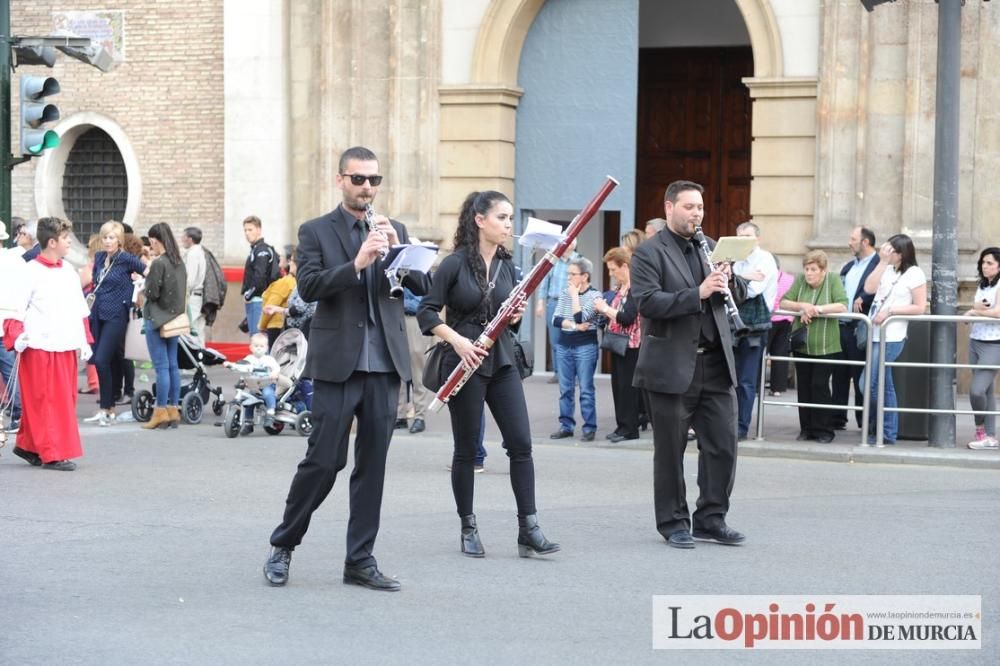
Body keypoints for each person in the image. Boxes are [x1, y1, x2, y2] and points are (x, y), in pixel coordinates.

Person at [263, 146, 430, 592]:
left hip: (384, 364)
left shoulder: (392, 228)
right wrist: (357, 263)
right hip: (339, 363)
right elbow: (310, 286)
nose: (368, 188)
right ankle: (284, 544)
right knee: (323, 461)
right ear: (341, 180)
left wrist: (401, 255)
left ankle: (360, 560)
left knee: (372, 466)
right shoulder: (316, 231)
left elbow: (422, 286)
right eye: (359, 180)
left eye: (374, 180)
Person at [418, 189, 559, 560]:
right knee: (466, 450)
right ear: (480, 221)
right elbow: (428, 313)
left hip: (501, 361)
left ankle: (529, 528)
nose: (508, 225)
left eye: (511, 218)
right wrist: (458, 342)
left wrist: (514, 315)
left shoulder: (507, 265)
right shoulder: (453, 264)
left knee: (521, 444)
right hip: (463, 362)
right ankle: (468, 526)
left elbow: (507, 318)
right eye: (502, 218)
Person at [630, 179, 749, 549]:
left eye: (700, 208)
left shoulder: (710, 247)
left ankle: (711, 518)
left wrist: (730, 280)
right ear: (669, 208)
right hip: (671, 365)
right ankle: (673, 522)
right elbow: (647, 302)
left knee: (723, 446)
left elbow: (739, 294)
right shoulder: (649, 253)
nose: (696, 214)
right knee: (670, 451)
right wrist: (697, 293)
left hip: (714, 363)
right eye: (689, 207)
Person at [4, 217, 92, 471]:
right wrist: (17, 335)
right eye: (65, 239)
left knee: (63, 399)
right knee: (45, 400)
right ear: (52, 242)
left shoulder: (67, 271)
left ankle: (29, 445)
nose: (68, 243)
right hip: (38, 345)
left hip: (64, 344)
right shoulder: (28, 271)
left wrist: (84, 339)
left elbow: (79, 309)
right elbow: (15, 309)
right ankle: (52, 453)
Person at [862, 233, 928, 446]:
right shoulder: (886, 268)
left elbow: (919, 307)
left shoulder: (915, 273)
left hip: (893, 336)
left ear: (902, 253)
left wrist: (891, 311)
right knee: (880, 385)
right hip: (874, 333)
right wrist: (881, 262)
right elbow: (869, 288)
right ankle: (884, 430)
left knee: (872, 384)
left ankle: (884, 430)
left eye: (891, 250)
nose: (886, 252)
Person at [82, 221, 148, 426]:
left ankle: (107, 408)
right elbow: (95, 282)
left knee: (101, 360)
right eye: (105, 237)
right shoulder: (100, 257)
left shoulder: (126, 259)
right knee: (106, 361)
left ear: (119, 240)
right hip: (98, 314)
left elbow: (149, 273)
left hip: (116, 315)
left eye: (112, 238)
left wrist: (135, 290)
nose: (108, 241)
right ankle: (107, 409)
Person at [779, 250, 848, 443]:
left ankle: (824, 430)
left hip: (827, 345)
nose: (809, 273)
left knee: (819, 386)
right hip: (803, 345)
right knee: (805, 388)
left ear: (823, 270)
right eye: (807, 269)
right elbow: (784, 301)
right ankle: (806, 429)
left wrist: (817, 309)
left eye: (813, 269)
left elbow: (842, 305)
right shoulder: (800, 280)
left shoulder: (833, 280)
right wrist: (803, 306)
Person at [731, 221, 778, 440]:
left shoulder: (765, 259)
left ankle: (741, 427)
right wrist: (743, 277)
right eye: (739, 236)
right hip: (734, 325)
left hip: (755, 328)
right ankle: (730, 423)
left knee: (747, 380)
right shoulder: (735, 261)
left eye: (747, 236)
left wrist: (737, 279)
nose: (742, 240)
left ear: (757, 239)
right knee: (730, 378)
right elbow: (729, 288)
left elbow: (749, 292)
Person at [141, 223, 188, 430]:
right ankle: (173, 409)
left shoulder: (159, 263)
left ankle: (160, 411)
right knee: (172, 366)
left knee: (161, 368)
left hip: (156, 318)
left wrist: (147, 279)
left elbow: (151, 293)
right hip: (175, 319)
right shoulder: (179, 262)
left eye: (152, 241)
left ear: (155, 240)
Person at [593, 247, 643, 442]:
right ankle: (622, 426)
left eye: (613, 269)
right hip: (617, 343)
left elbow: (627, 317)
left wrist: (605, 308)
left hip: (632, 345)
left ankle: (630, 428)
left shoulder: (635, 288)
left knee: (628, 388)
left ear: (625, 266)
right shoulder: (619, 289)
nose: (611, 274)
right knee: (618, 386)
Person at [550, 257, 601, 442]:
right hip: (564, 345)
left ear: (585, 276)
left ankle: (589, 427)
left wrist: (574, 298)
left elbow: (581, 317)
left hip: (585, 347)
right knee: (565, 389)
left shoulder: (596, 296)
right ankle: (566, 426)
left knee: (586, 389)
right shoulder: (565, 292)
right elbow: (555, 319)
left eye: (572, 274)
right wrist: (572, 326)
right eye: (568, 273)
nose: (568, 277)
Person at [832, 226, 878, 430]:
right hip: (842, 326)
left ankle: (864, 420)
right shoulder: (849, 266)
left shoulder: (879, 265)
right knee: (839, 374)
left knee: (861, 375)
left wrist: (865, 297)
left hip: (862, 327)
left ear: (865, 242)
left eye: (853, 239)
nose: (849, 242)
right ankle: (837, 418)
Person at [965, 247, 1000, 450]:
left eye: (990, 263)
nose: (985, 266)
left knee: (976, 390)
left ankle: (981, 430)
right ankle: (990, 436)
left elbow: (997, 312)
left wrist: (975, 313)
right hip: (976, 340)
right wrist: (975, 313)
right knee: (986, 391)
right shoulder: (983, 285)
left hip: (994, 343)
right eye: (983, 262)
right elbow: (983, 308)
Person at [534, 239, 578, 383]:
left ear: (573, 245)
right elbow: (544, 284)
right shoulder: (553, 261)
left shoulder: (579, 261)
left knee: (571, 339)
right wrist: (540, 303)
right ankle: (558, 374)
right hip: (553, 303)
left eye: (569, 243)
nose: (566, 246)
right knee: (555, 340)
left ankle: (572, 375)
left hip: (572, 304)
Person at [225, 333, 286, 424]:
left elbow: (276, 367)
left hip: (267, 383)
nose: (258, 348)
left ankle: (271, 410)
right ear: (251, 347)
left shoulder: (269, 359)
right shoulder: (249, 359)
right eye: (256, 346)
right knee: (249, 400)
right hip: (254, 386)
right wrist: (230, 364)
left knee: (268, 393)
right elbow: (240, 365)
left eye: (261, 346)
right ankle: (248, 421)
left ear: (266, 348)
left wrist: (274, 373)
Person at [0, 221, 26, 434]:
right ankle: (19, 414)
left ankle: (18, 412)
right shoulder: (15, 260)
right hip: (8, 322)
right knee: (11, 372)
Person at [396, 285, 430, 434]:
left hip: (415, 319)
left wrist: (397, 302)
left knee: (418, 368)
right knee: (397, 367)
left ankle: (419, 416)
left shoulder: (421, 268)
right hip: (395, 319)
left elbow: (421, 300)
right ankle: (400, 415)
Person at [241, 215, 278, 339]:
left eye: (250, 230)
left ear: (259, 230)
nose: (247, 233)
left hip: (259, 300)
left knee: (258, 339)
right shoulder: (257, 249)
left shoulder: (261, 250)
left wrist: (248, 294)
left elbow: (260, 277)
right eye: (245, 230)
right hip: (258, 299)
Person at [766, 257, 795, 396]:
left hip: (769, 318)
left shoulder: (767, 275)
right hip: (786, 319)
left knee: (762, 353)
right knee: (780, 354)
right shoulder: (790, 278)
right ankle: (777, 388)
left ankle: (757, 385)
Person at [259, 248, 297, 349]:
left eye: (283, 256)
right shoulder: (294, 282)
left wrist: (261, 326)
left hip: (276, 325)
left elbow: (269, 307)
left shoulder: (285, 282)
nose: (279, 257)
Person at [181, 227, 208, 340]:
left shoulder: (192, 254)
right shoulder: (200, 252)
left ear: (190, 239)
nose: (181, 239)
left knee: (191, 331)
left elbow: (190, 280)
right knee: (198, 331)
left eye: (183, 237)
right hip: (198, 296)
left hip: (192, 296)